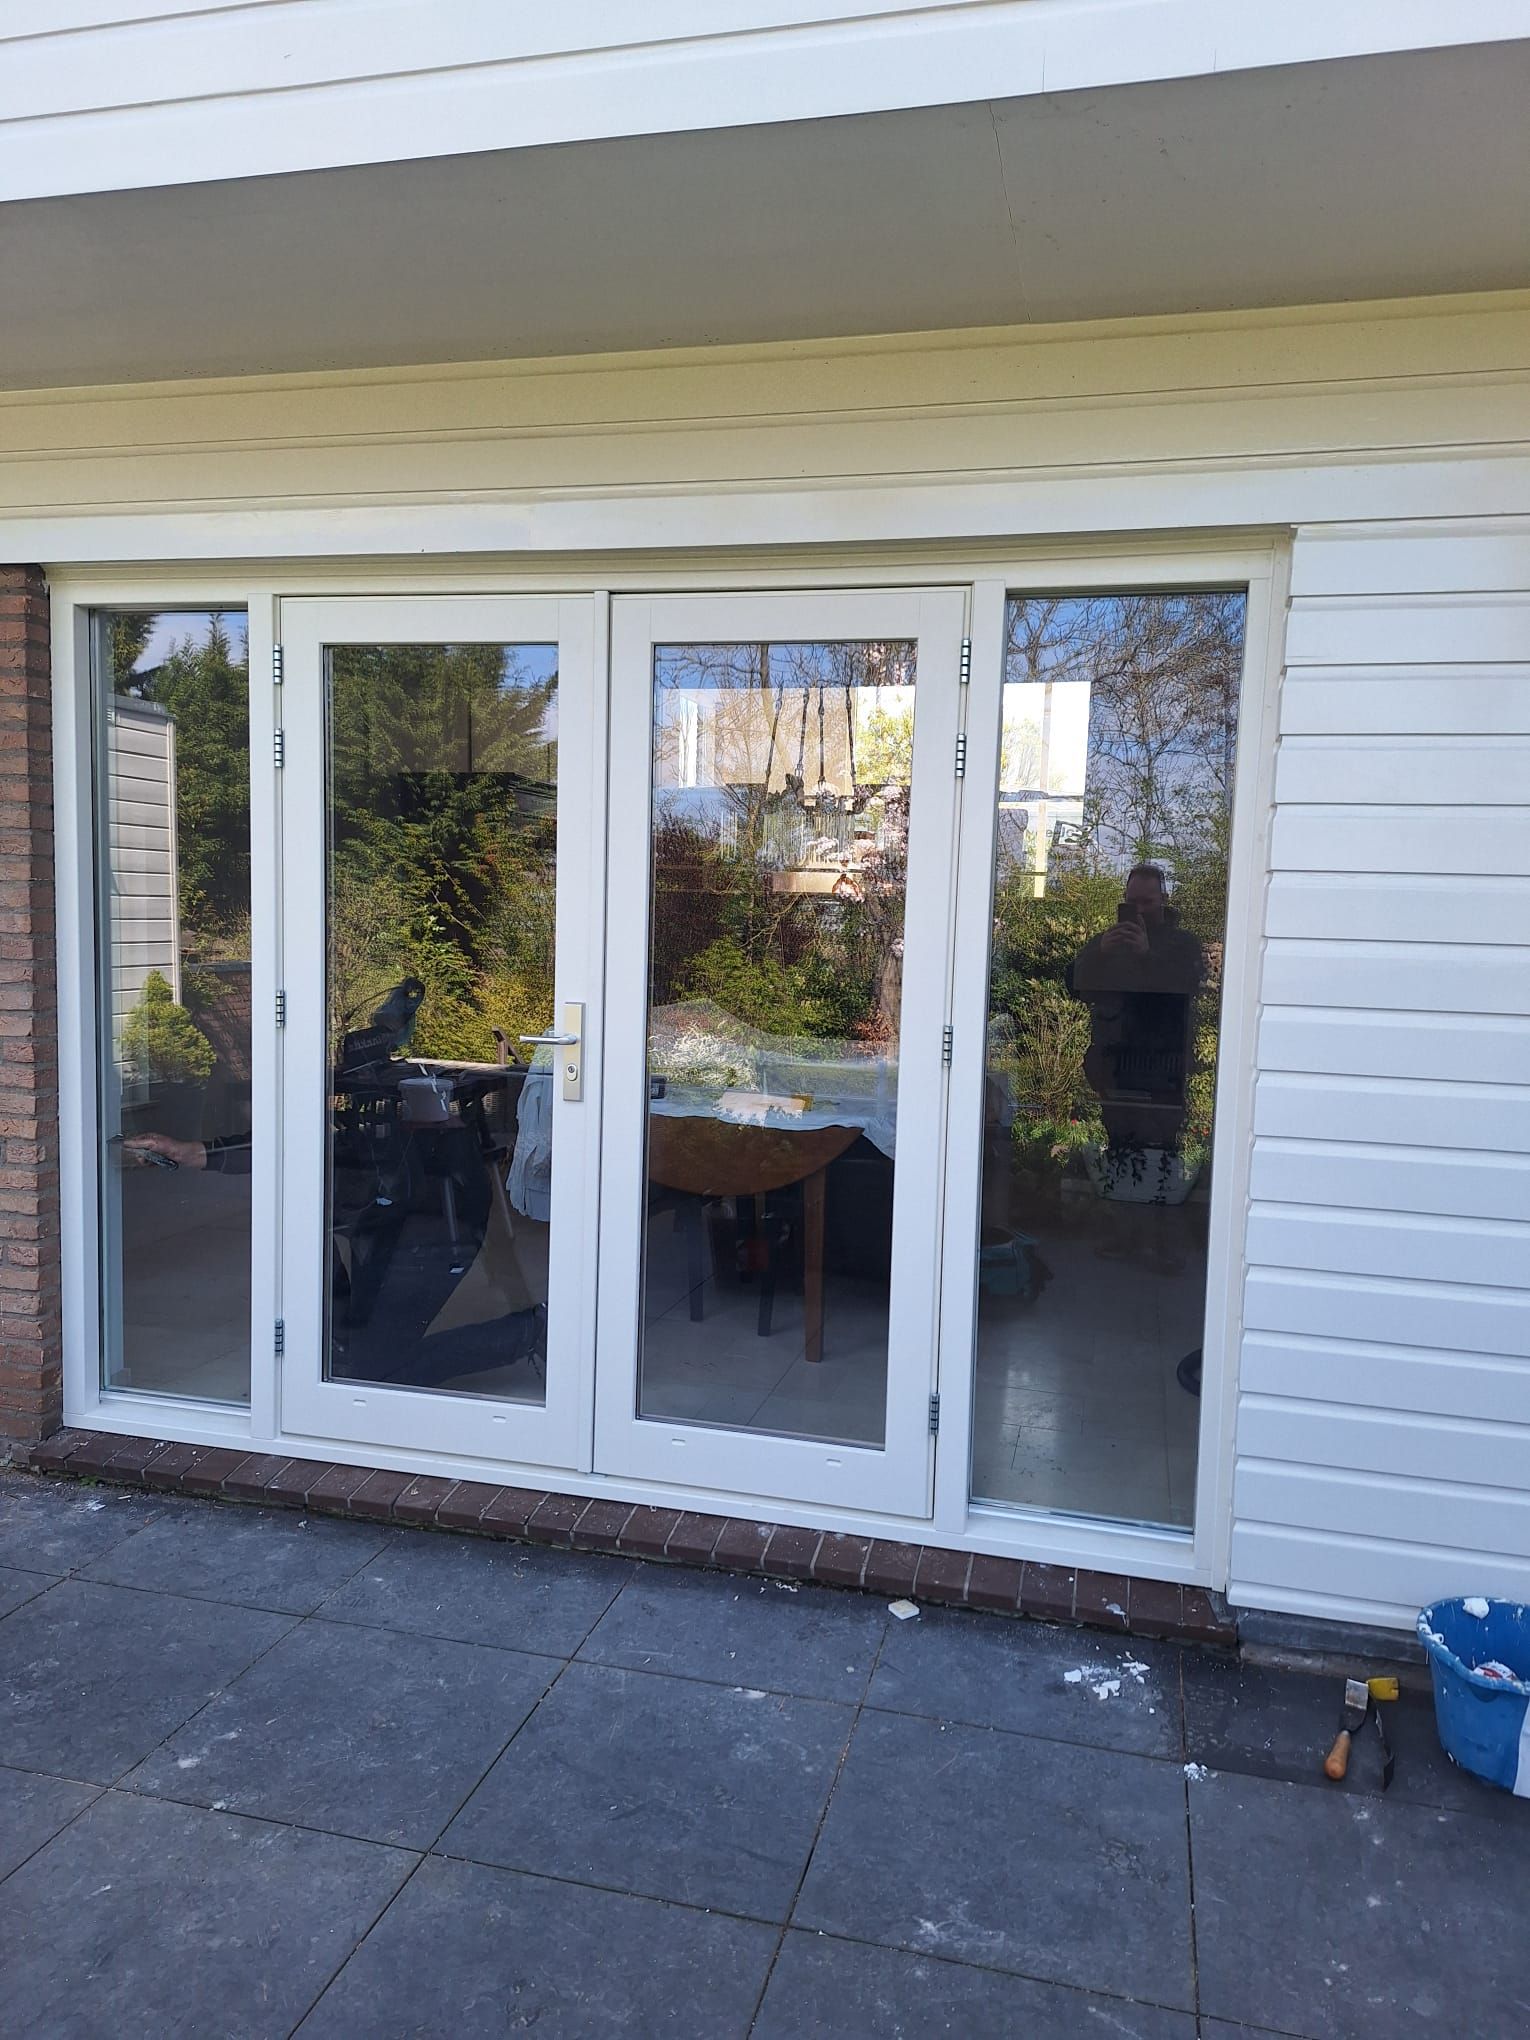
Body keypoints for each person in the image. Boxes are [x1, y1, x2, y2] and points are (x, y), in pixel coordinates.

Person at [1067, 863, 1205, 1155]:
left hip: (1164, 1071)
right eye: (1132, 902)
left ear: (1163, 900)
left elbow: (1186, 986)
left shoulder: (1183, 944)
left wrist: (1147, 955)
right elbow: (1073, 986)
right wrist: (1099, 953)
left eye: (1147, 902)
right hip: (1114, 1069)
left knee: (1160, 1153)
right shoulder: (1107, 943)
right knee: (1119, 1151)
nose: (1139, 910)